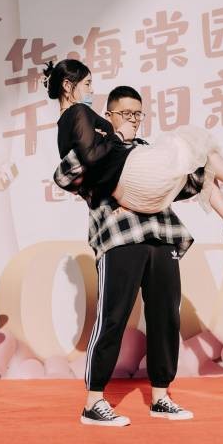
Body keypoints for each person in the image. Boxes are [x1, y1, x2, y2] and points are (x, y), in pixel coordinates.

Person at [54, 85, 202, 426]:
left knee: (166, 316)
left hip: (163, 237)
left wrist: (191, 160)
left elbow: (186, 187)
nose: (133, 120)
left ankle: (161, 397)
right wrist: (113, 139)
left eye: (138, 114)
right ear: (108, 116)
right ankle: (93, 402)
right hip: (120, 238)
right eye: (126, 113)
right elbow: (64, 176)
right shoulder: (98, 149)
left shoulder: (150, 152)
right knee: (113, 317)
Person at [46, 59, 223, 247]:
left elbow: (85, 164)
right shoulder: (78, 111)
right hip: (128, 178)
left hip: (125, 193)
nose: (91, 90)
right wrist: (119, 135)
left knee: (202, 166)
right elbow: (90, 156)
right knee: (196, 141)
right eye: (87, 84)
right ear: (68, 86)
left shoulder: (64, 127)